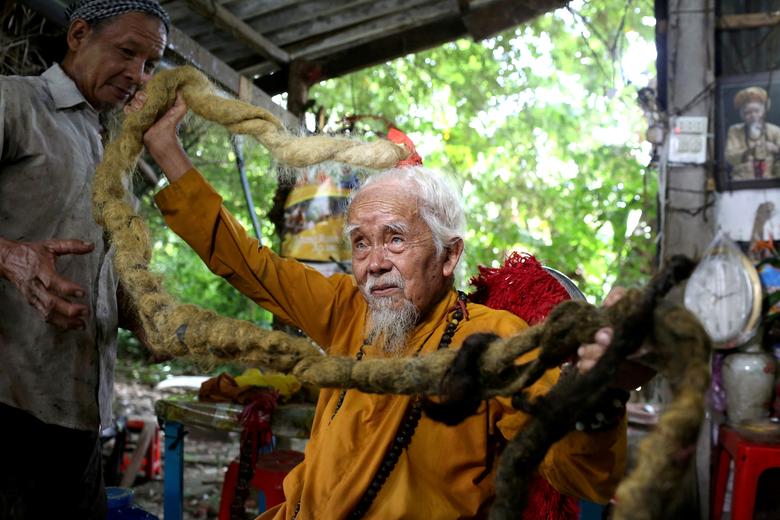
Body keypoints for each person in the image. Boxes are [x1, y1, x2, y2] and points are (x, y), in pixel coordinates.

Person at [135, 92, 643, 519]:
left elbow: (576, 472)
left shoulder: (492, 340)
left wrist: (593, 400)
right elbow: (249, 265)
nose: (373, 264)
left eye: (395, 240)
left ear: (450, 255)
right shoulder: (346, 311)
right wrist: (165, 148)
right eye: (360, 244)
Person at [0, 1, 169, 518]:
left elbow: (100, 268)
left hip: (79, 419)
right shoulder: (15, 102)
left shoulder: (109, 149)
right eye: (127, 52)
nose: (137, 75)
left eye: (149, 65)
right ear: (78, 35)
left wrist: (145, 318)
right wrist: (12, 258)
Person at [725, 86, 780, 180]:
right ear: (742, 115)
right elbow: (729, 157)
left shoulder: (775, 130)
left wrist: (775, 148)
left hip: (771, 183)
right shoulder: (735, 130)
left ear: (764, 111)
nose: (753, 116)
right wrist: (750, 150)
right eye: (748, 113)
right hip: (742, 182)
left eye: (757, 111)